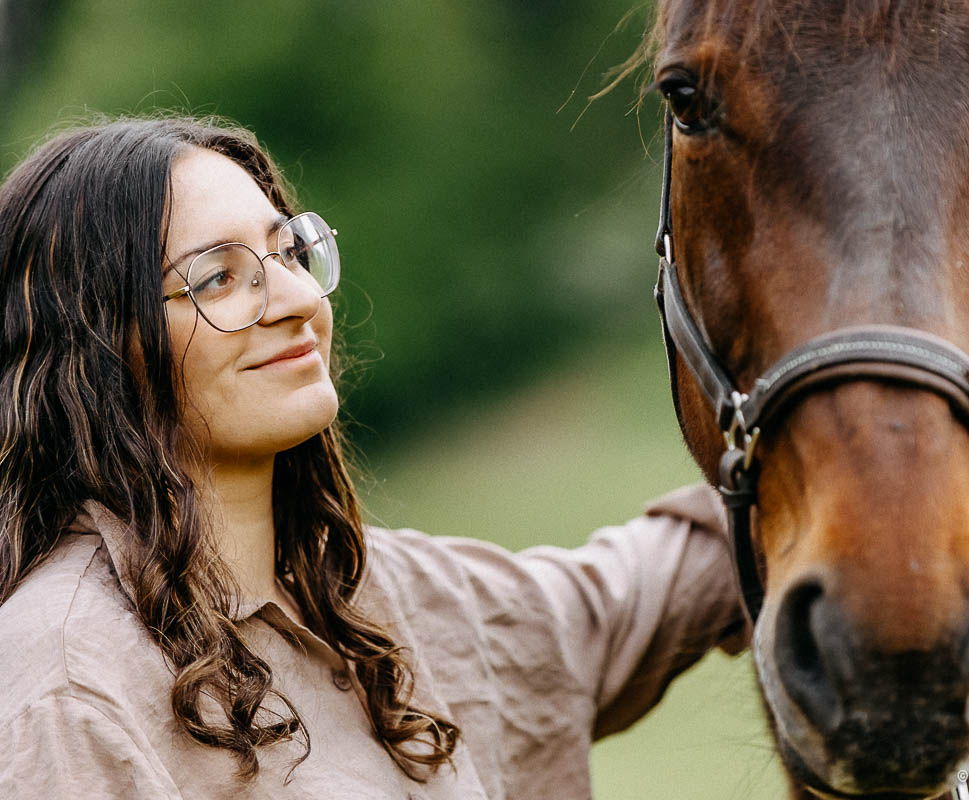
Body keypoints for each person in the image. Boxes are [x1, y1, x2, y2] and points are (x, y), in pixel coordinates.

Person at [0, 117, 747, 798]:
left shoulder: (380, 601)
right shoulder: (67, 687)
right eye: (219, 277)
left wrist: (818, 456)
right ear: (93, 349)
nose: (294, 297)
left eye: (287, 251)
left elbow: (624, 601)